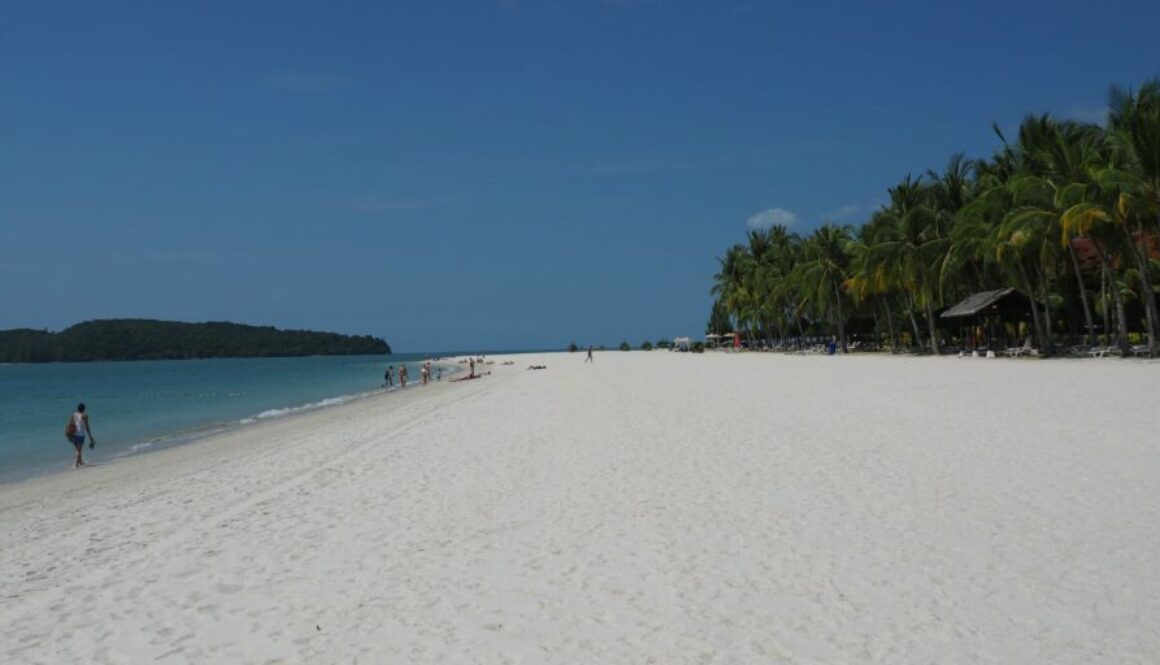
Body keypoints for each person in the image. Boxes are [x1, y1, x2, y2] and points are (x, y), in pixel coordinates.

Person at [66, 403, 96, 469]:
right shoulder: (84, 416)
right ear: (84, 409)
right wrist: (90, 436)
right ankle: (76, 464)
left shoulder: (74, 414)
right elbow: (87, 427)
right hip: (81, 435)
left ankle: (81, 462)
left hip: (74, 434)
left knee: (78, 449)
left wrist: (68, 433)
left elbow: (70, 423)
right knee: (78, 450)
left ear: (77, 408)